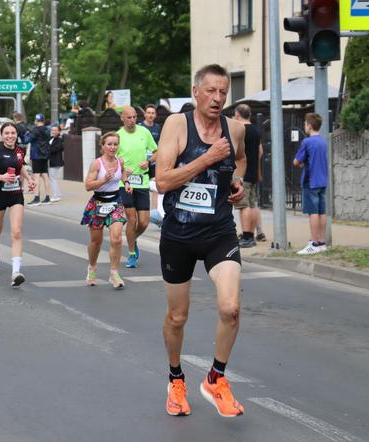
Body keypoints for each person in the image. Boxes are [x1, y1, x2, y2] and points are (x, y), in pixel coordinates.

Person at [155, 64, 246, 418]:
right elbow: (162, 181)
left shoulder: (235, 128)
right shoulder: (177, 125)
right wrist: (206, 159)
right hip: (178, 234)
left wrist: (237, 183)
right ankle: (176, 379)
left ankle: (215, 378)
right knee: (178, 317)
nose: (218, 98)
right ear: (195, 92)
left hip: (218, 232)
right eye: (211, 91)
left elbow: (238, 161)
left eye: (223, 92)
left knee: (230, 308)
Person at [0, 122, 36, 287]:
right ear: (2, 135)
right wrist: (0, 178)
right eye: (7, 133)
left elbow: (20, 167)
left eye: (13, 133)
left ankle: (16, 272)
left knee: (17, 232)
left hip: (16, 194)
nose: (10, 136)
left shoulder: (19, 151)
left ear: (17, 135)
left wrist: (30, 179)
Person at [81, 132, 133, 289]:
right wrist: (104, 180)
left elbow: (122, 173)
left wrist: (127, 182)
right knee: (96, 241)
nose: (113, 147)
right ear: (102, 146)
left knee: (117, 239)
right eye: (109, 144)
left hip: (115, 202)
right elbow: (88, 185)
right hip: (98, 203)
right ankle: (92, 267)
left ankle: (114, 273)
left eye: (115, 144)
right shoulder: (97, 164)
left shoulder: (120, 161)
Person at [116, 106, 158, 268]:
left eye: (134, 117)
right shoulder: (118, 136)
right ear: (122, 118)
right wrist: (121, 169)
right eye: (129, 117)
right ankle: (132, 253)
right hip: (124, 182)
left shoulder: (144, 132)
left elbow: (157, 151)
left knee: (144, 222)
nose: (132, 120)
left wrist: (148, 161)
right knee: (132, 219)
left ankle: (132, 238)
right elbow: (110, 158)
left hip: (142, 181)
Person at [293, 113, 328, 255]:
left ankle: (313, 243)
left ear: (309, 125)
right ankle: (321, 242)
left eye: (305, 124)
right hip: (322, 180)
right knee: (322, 212)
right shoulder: (323, 141)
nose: (304, 126)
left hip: (310, 180)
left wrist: (301, 163)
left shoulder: (307, 142)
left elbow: (296, 161)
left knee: (312, 212)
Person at [233, 104, 264, 248]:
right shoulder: (256, 130)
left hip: (242, 173)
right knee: (252, 204)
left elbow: (235, 152)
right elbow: (260, 152)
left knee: (243, 206)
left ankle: (246, 236)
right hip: (253, 172)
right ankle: (252, 234)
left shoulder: (240, 130)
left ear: (238, 114)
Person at [27, 113, 52, 206]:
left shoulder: (35, 130)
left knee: (36, 176)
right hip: (45, 155)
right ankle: (48, 197)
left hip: (36, 155)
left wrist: (27, 133)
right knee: (45, 175)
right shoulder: (47, 130)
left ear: (36, 120)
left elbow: (27, 140)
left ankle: (36, 198)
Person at [48, 125, 64, 202]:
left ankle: (55, 196)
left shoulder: (59, 140)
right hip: (51, 162)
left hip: (55, 162)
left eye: (55, 130)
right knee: (53, 178)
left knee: (52, 179)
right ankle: (58, 194)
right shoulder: (51, 138)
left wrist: (47, 148)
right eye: (52, 130)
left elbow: (55, 149)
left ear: (59, 132)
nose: (53, 131)